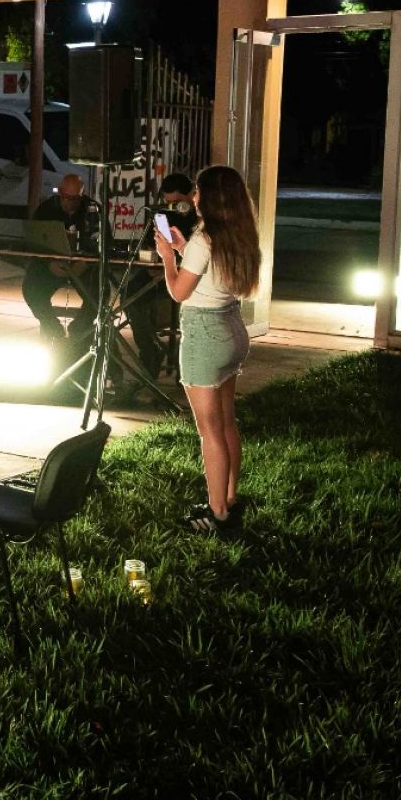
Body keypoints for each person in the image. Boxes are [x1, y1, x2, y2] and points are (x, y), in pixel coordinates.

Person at [153, 165, 260, 537]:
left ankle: (216, 514)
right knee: (227, 421)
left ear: (212, 199)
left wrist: (168, 257)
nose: (193, 198)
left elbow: (180, 292)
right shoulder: (235, 235)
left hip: (204, 334)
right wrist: (184, 250)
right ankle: (229, 499)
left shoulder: (204, 239)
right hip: (232, 328)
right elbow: (212, 274)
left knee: (209, 430)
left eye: (198, 192)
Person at [129, 174, 199, 382]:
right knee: (129, 294)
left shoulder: (199, 219)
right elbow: (150, 244)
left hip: (185, 277)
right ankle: (150, 348)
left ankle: (174, 358)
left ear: (191, 196)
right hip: (156, 271)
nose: (173, 208)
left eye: (177, 203)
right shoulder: (161, 214)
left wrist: (170, 261)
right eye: (168, 202)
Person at [21, 174, 100, 341]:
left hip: (83, 265)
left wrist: (86, 262)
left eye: (74, 199)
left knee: (99, 292)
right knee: (32, 287)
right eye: (65, 197)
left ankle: (79, 330)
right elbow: (34, 243)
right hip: (52, 265)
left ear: (82, 195)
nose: (69, 203)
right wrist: (48, 263)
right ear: (59, 194)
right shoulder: (46, 210)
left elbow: (103, 242)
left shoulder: (93, 210)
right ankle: (53, 329)